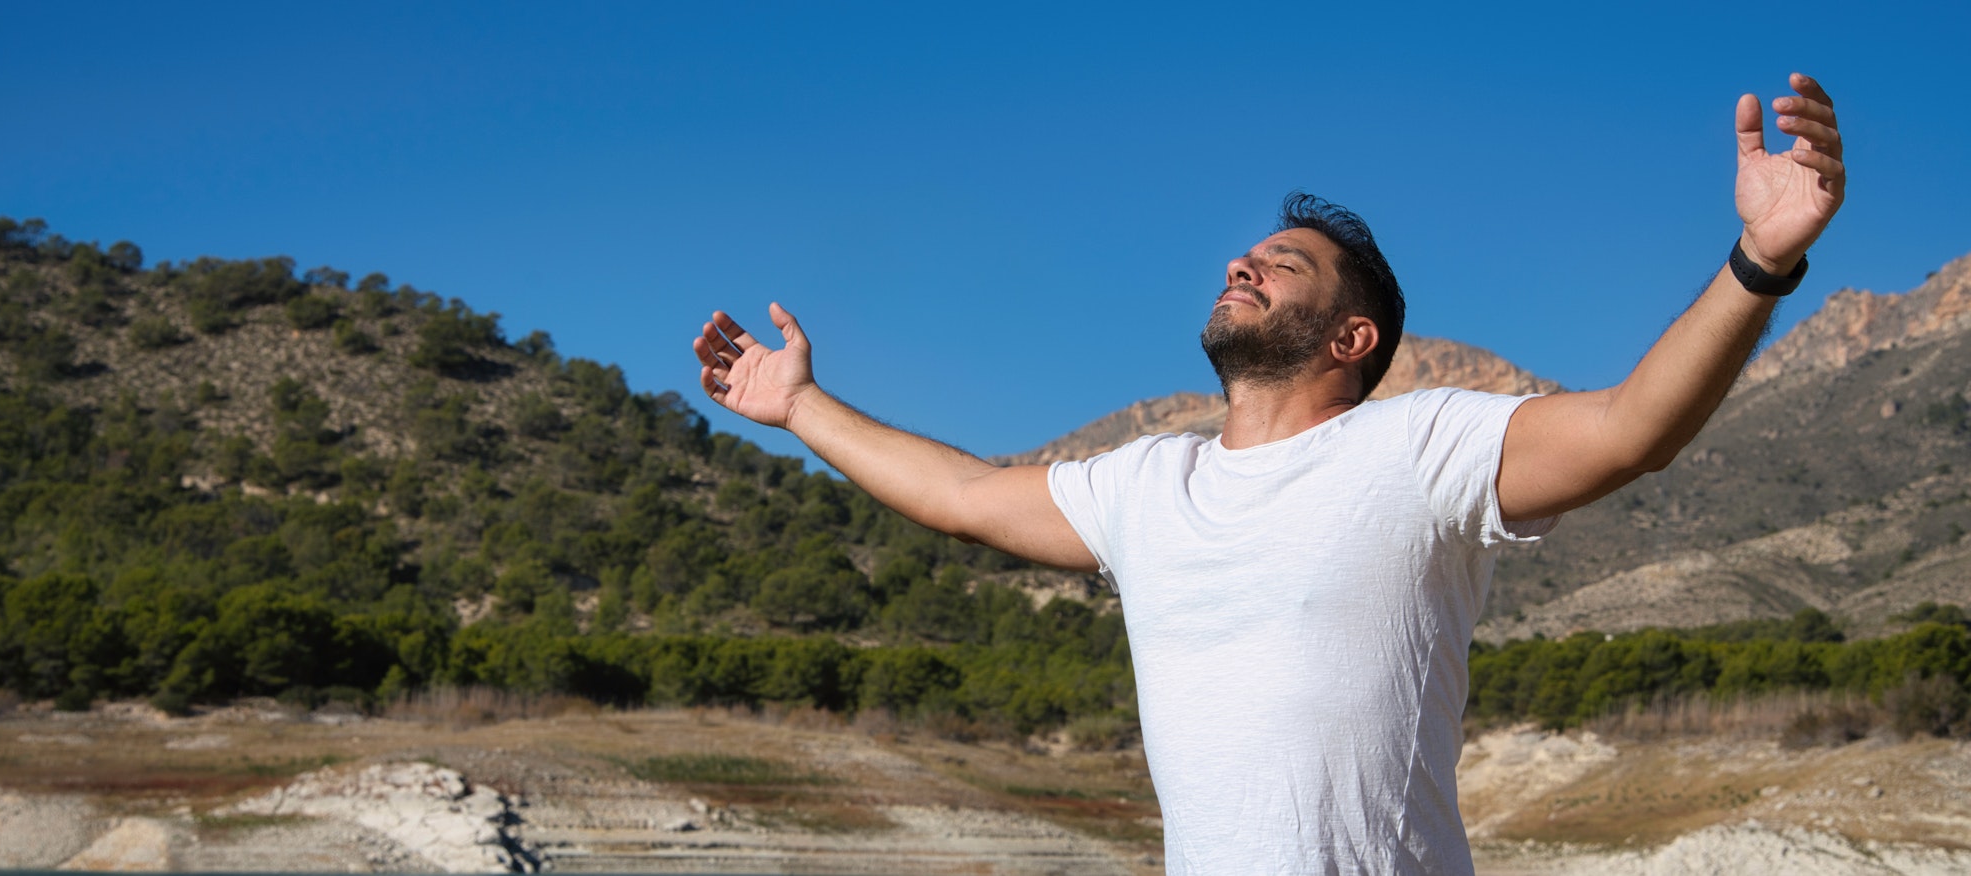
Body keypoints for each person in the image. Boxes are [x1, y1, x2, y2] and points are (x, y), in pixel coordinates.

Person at [691, 73, 1844, 874]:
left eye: (1283, 264)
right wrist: (797, 406)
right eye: (1248, 253)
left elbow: (1634, 429)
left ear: (1349, 340)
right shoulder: (1145, 486)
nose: (1242, 259)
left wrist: (1758, 261)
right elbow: (958, 496)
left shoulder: (1417, 447)